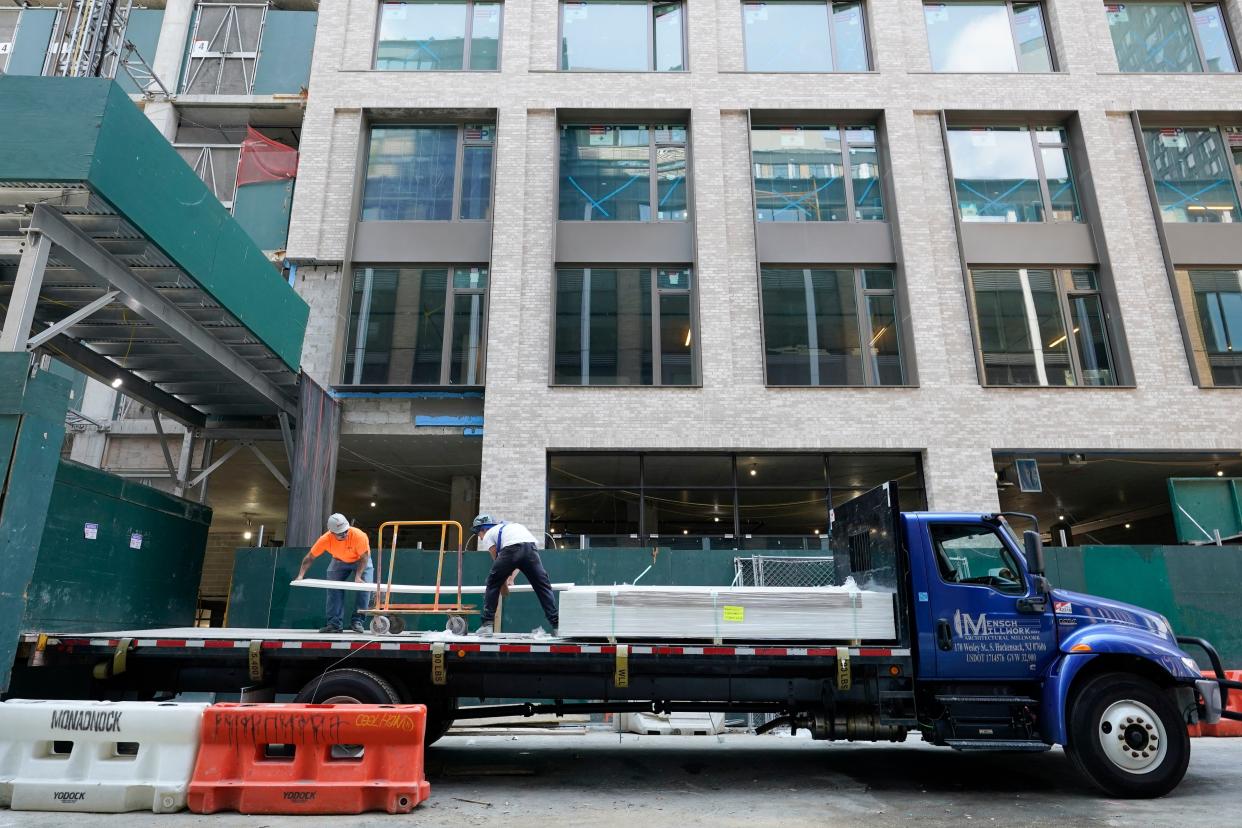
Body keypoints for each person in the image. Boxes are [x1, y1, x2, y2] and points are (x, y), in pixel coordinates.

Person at [471, 513, 558, 636]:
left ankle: (487, 625)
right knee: (542, 586)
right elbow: (519, 562)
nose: (479, 538)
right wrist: (510, 579)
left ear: (484, 529)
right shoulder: (510, 528)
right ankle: (557, 626)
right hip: (530, 547)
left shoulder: (489, 535)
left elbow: (498, 561)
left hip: (511, 549)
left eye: (478, 533)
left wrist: (504, 585)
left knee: (492, 582)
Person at [296, 513, 374, 634]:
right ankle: (334, 624)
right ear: (331, 532)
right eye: (340, 533)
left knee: (365, 589)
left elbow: (364, 557)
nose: (344, 534)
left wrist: (358, 576)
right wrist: (300, 575)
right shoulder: (325, 540)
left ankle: (357, 621)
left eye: (345, 531)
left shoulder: (359, 535)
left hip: (361, 560)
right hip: (338, 560)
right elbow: (309, 557)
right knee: (333, 590)